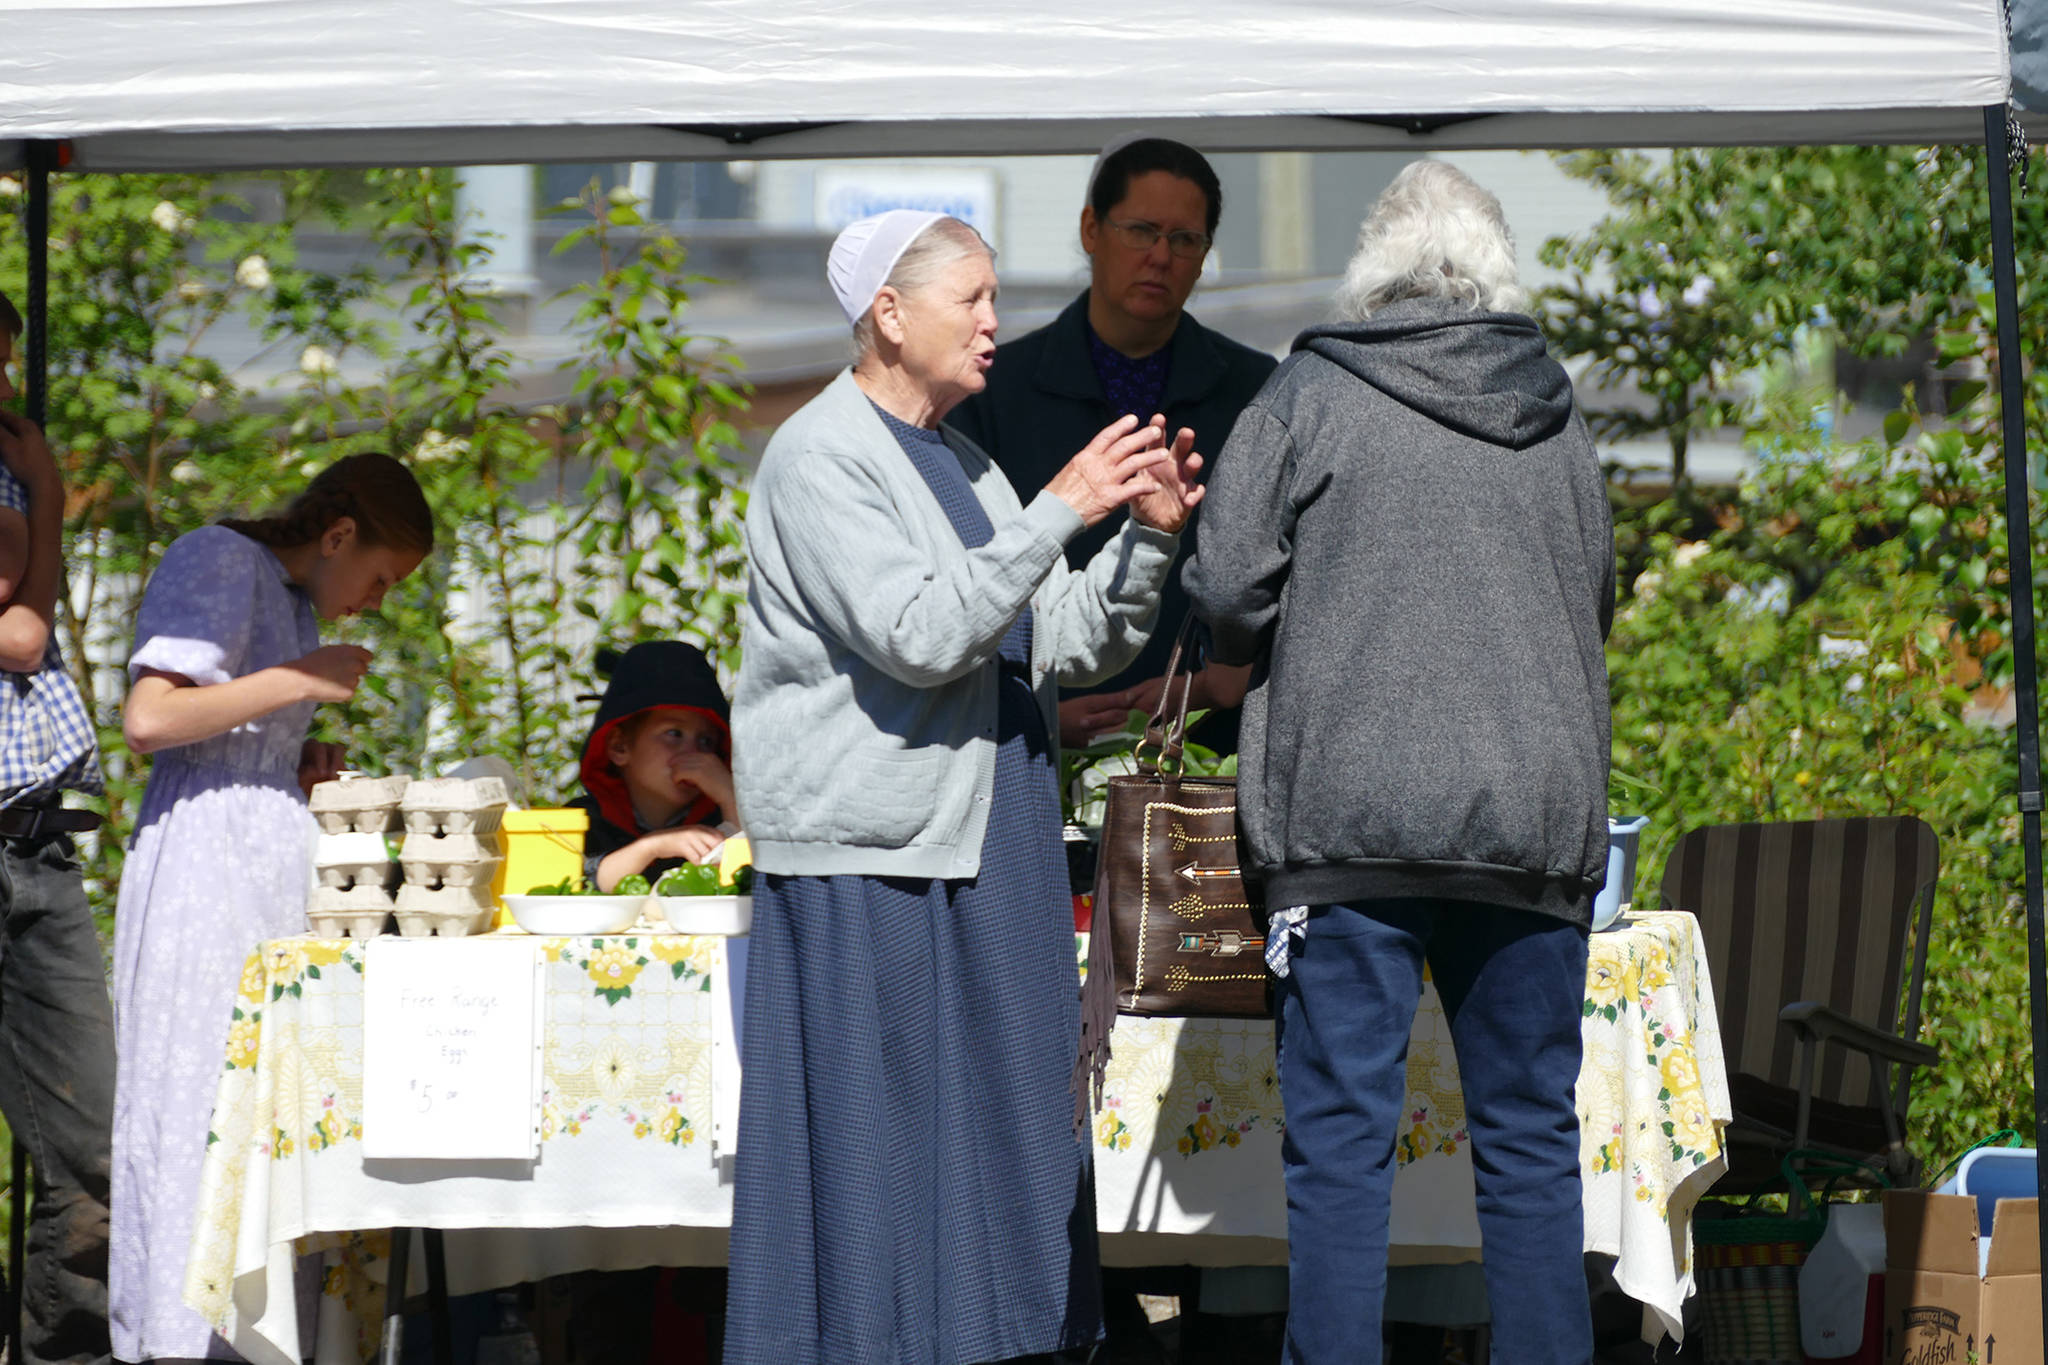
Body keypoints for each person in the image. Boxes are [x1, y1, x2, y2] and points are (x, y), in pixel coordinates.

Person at [725, 209, 1203, 1365]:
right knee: (882, 1164)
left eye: (994, 299)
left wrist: (1143, 540)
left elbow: (1059, 642)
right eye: (972, 300)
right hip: (877, 867)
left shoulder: (966, 460)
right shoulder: (820, 456)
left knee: (1009, 1141)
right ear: (888, 313)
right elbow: (923, 634)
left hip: (990, 851)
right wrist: (1062, 508)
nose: (996, 325)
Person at [1184, 161, 1615, 1365]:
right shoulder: (1557, 408)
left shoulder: (1305, 394)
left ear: (1370, 268)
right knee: (1530, 1146)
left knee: (1339, 1150)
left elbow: (1223, 587)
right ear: (1493, 270)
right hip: (1529, 821)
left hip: (1346, 829)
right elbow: (1594, 597)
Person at [111, 453, 433, 1365]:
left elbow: (228, 730)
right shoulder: (217, 558)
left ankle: (249, 1335)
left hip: (257, 864)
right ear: (338, 536)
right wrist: (299, 683)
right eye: (378, 576)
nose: (374, 600)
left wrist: (295, 760)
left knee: (260, 1108)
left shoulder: (290, 597)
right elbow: (151, 719)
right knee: (199, 1098)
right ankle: (184, 1337)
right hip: (205, 874)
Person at [952, 136, 1274, 752]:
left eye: (1185, 240)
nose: (1160, 256)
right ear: (1090, 229)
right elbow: (965, 584)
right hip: (1027, 743)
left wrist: (1207, 687)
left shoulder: (1258, 389)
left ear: (1205, 255)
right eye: (1141, 230)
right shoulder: (993, 390)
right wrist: (1036, 707)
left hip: (1208, 755)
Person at [0, 288, 118, 1365]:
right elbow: (24, 633)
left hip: (31, 840)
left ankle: (63, 1350)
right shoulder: (14, 481)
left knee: (92, 1157)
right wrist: (45, 494)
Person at [568, 640, 738, 892]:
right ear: (619, 747)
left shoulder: (718, 820)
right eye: (674, 733)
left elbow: (747, 875)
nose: (694, 753)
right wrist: (652, 847)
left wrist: (730, 796)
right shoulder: (583, 820)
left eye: (706, 741)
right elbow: (579, 885)